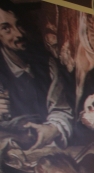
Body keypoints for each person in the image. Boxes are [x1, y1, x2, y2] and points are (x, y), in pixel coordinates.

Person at [0, 0, 73, 150]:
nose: (19, 34)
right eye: (6, 29)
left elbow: (62, 109)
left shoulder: (46, 64)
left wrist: (52, 129)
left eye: (19, 25)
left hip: (44, 148)